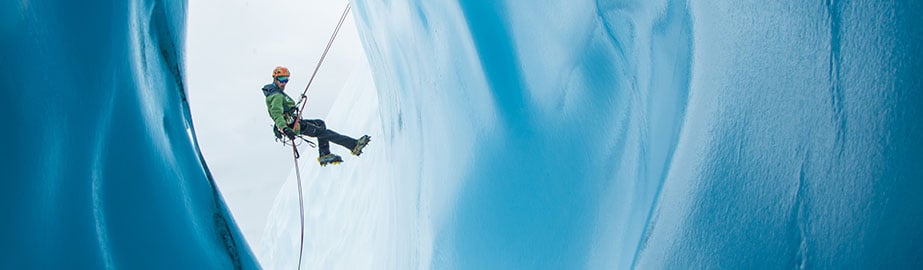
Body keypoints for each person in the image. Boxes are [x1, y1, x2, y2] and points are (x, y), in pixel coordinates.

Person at [262, 66, 370, 166]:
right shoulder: (276, 96)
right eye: (281, 80)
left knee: (320, 123)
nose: (284, 83)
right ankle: (354, 145)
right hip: (292, 126)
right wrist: (285, 129)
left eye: (286, 80)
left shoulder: (277, 93)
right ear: (275, 79)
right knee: (323, 133)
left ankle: (324, 154)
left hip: (294, 123)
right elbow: (277, 114)